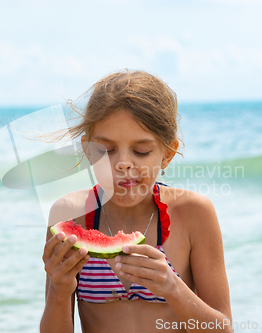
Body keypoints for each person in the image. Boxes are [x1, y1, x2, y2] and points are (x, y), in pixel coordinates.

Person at [40, 70, 233, 332]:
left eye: (141, 151)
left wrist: (172, 287)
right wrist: (59, 291)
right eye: (106, 150)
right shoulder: (68, 213)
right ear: (87, 150)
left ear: (167, 154)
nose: (123, 164)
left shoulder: (194, 213)